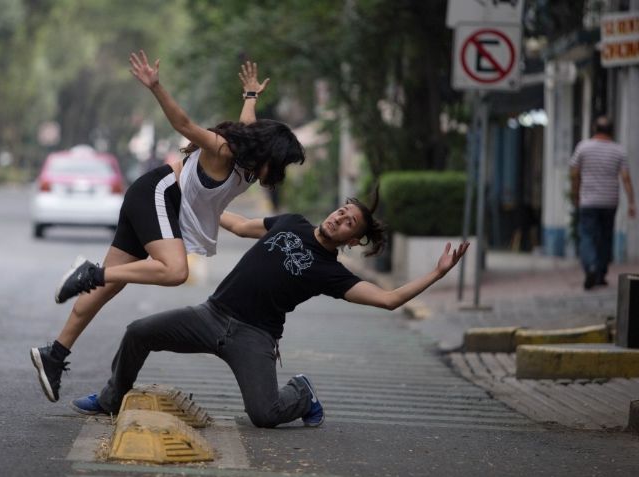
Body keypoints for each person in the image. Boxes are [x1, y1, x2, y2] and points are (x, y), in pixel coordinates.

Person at [31, 52, 306, 403]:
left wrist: (251, 96)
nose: (278, 175)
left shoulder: (250, 160)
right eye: (280, 166)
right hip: (158, 193)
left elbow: (248, 121)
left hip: (155, 201)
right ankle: (91, 272)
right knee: (173, 271)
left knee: (111, 286)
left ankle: (54, 355)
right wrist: (156, 86)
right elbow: (186, 125)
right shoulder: (223, 150)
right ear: (268, 154)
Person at [65, 195, 469, 428]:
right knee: (138, 331)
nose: (340, 219)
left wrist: (436, 273)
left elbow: (389, 299)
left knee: (264, 414)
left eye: (349, 223)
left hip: (253, 337)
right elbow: (240, 226)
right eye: (341, 212)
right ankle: (111, 398)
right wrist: (193, 202)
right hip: (211, 315)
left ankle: (301, 391)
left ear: (353, 239)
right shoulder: (291, 222)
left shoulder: (332, 273)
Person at [570, 116, 636, 290]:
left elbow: (575, 174)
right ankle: (600, 274)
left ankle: (591, 267)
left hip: (588, 200)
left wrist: (575, 195)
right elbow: (626, 178)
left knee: (588, 236)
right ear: (612, 130)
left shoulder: (583, 147)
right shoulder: (618, 150)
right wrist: (631, 202)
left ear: (594, 128)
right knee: (605, 237)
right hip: (609, 201)